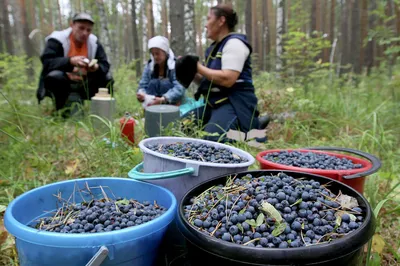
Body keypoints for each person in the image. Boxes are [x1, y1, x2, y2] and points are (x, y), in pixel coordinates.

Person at [176, 4, 262, 142]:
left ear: (221, 21)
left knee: (212, 140)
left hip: (235, 103)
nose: (205, 25)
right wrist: (191, 71)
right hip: (213, 104)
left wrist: (197, 66)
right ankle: (242, 126)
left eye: (208, 19)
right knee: (179, 127)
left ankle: (251, 128)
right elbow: (210, 80)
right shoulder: (214, 48)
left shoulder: (235, 44)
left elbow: (228, 79)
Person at [36, 13, 113, 116]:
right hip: (63, 81)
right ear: (72, 25)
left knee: (108, 78)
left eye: (88, 30)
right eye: (81, 28)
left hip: (85, 81)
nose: (85, 33)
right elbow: (47, 61)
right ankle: (60, 111)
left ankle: (102, 113)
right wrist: (70, 61)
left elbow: (104, 64)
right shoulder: (57, 39)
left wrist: (95, 67)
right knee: (55, 77)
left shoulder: (94, 42)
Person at [136, 36, 185, 108]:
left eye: (157, 53)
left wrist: (164, 99)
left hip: (171, 103)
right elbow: (143, 85)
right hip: (153, 102)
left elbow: (179, 88)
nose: (155, 57)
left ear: (165, 52)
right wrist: (141, 94)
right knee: (153, 83)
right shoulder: (149, 67)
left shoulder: (175, 65)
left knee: (165, 83)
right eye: (153, 54)